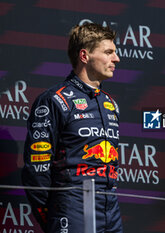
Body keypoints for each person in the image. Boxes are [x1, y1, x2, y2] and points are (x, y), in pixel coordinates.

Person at [22, 23, 123, 233]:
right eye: (108, 52)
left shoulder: (110, 104)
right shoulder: (55, 100)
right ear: (84, 56)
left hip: (110, 210)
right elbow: (37, 170)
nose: (116, 59)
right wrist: (55, 215)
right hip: (72, 208)